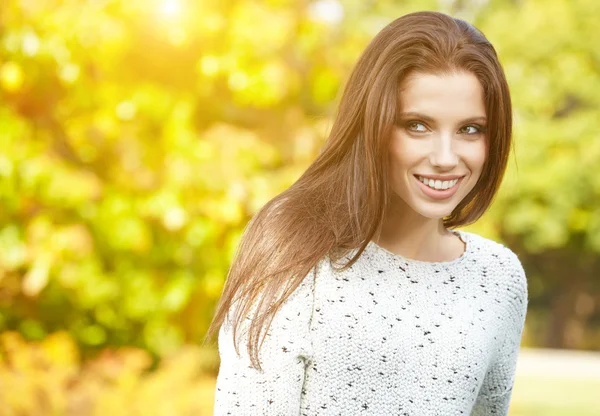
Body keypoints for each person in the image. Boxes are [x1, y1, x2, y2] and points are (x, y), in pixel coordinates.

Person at [205, 10, 528, 416]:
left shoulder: (497, 280)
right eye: (417, 125)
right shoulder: (295, 248)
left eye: (469, 129)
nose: (446, 158)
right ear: (372, 124)